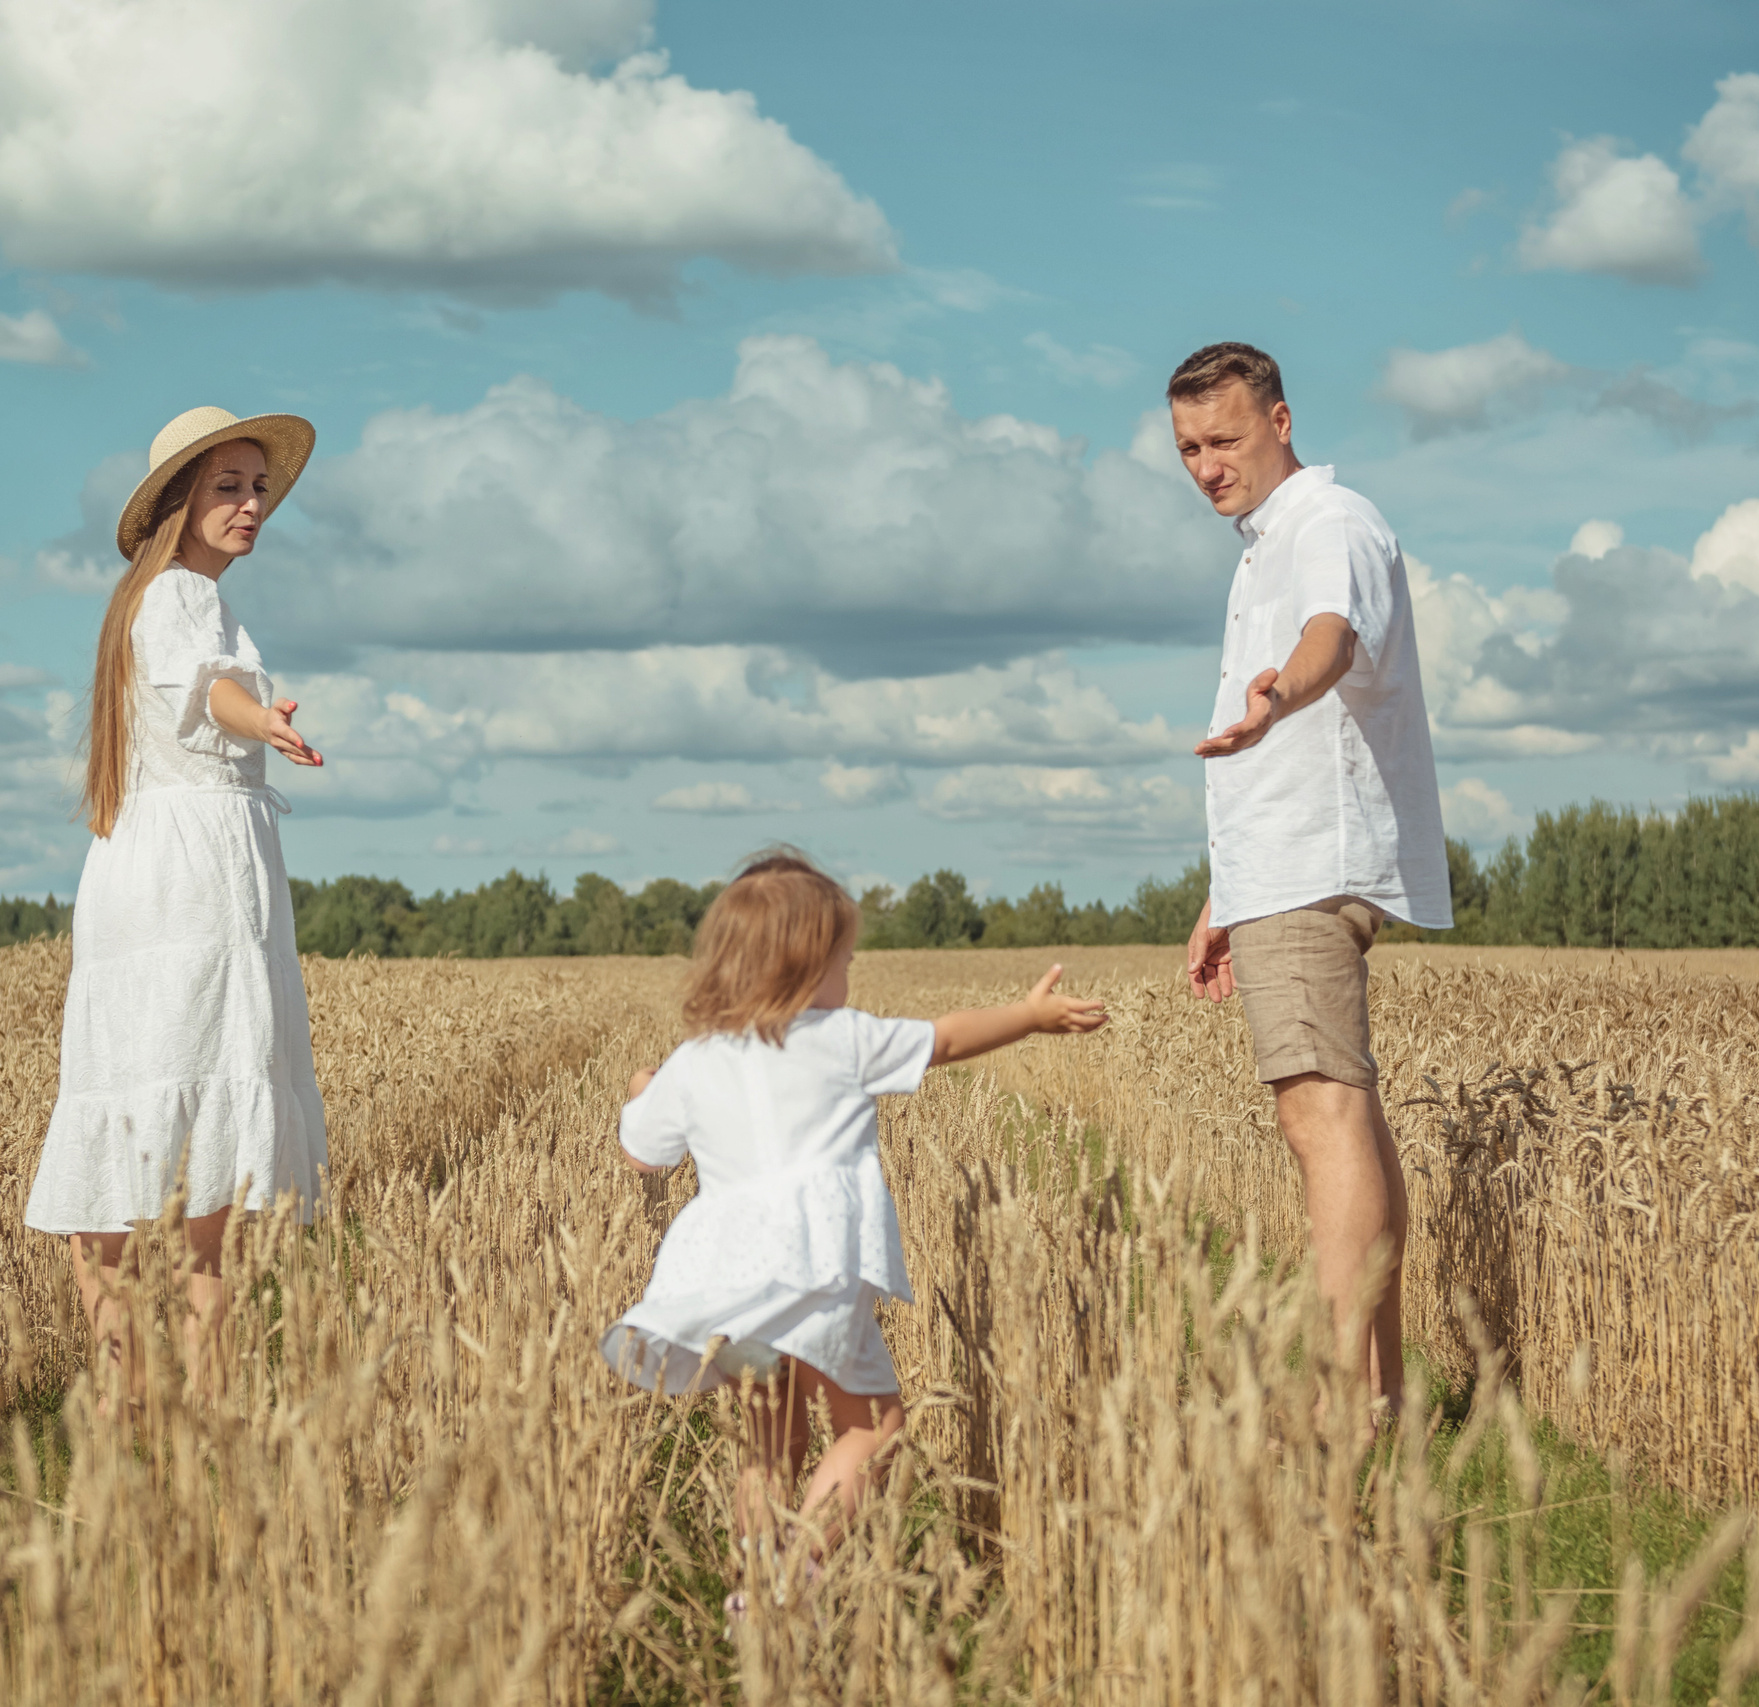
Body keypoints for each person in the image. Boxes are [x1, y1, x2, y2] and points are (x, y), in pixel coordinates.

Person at [603, 849, 1107, 1597]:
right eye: (843, 961)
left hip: (729, 1276)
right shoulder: (839, 1037)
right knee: (873, 1428)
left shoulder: (694, 1060)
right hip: (818, 1264)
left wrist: (647, 1086)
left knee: (769, 1444)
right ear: (803, 968)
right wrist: (1030, 1017)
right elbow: (947, 1039)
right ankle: (797, 1573)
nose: (848, 979)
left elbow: (643, 1154)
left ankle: (750, 1592)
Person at [23, 405, 333, 1407]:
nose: (252, 506)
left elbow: (197, 694)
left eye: (258, 488)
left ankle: (130, 1404)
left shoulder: (147, 601)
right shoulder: (183, 599)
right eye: (228, 487)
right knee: (212, 1167)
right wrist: (268, 724)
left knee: (134, 1108)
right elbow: (209, 695)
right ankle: (199, 1412)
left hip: (148, 866)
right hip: (196, 878)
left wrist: (255, 719)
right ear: (179, 503)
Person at [1167, 342, 1451, 1417]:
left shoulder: (1326, 526)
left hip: (1308, 866)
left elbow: (1332, 636)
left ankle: (1344, 1402)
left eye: (1225, 439)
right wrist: (1223, 896)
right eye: (1189, 447)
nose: (1206, 465)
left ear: (1279, 421)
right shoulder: (1268, 543)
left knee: (1318, 1116)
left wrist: (1276, 694)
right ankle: (1372, 1396)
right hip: (1279, 866)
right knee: (1346, 1114)